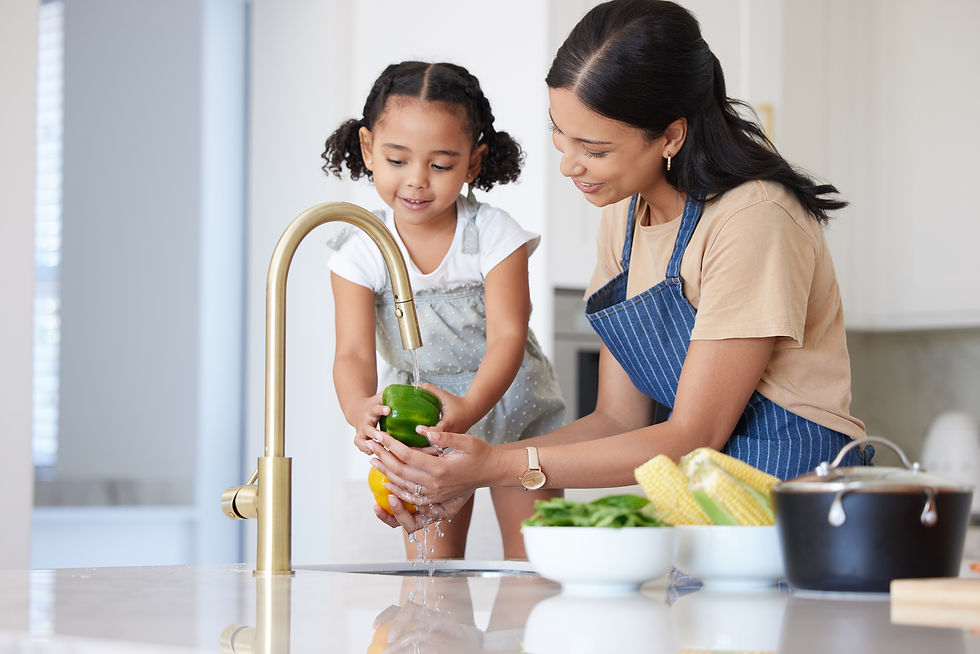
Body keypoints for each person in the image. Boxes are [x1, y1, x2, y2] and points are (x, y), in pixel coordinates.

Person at [367, 0, 872, 533]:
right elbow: (616, 420)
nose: (568, 163)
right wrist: (466, 470)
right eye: (560, 132)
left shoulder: (753, 219)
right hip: (705, 517)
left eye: (595, 148)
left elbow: (690, 436)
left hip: (802, 512)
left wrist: (496, 465)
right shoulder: (625, 217)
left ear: (671, 136)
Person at [321, 61, 566, 559]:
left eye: (440, 165)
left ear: (473, 163)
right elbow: (351, 352)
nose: (416, 182)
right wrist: (357, 410)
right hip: (422, 425)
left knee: (534, 566)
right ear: (369, 149)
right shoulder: (361, 247)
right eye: (397, 160)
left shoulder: (495, 235)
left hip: (513, 410)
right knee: (433, 573)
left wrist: (470, 408)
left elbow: (507, 337)